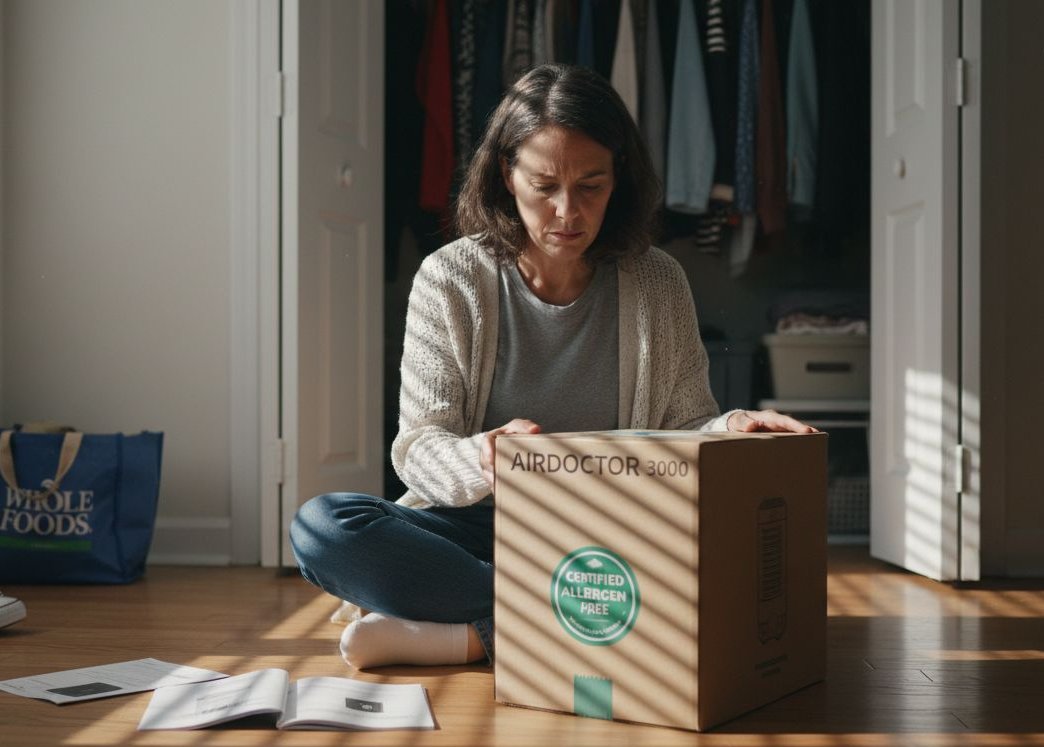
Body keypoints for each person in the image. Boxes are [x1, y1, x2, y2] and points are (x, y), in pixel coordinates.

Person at [290, 64, 814, 670]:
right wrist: (483, 456)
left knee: (747, 536)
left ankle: (471, 634)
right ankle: (587, 616)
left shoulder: (658, 281)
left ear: (619, 178)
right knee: (322, 527)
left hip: (615, 531)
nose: (568, 211)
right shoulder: (450, 279)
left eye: (591, 185)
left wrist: (731, 429)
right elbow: (419, 447)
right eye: (544, 186)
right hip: (481, 533)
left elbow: (685, 429)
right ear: (506, 175)